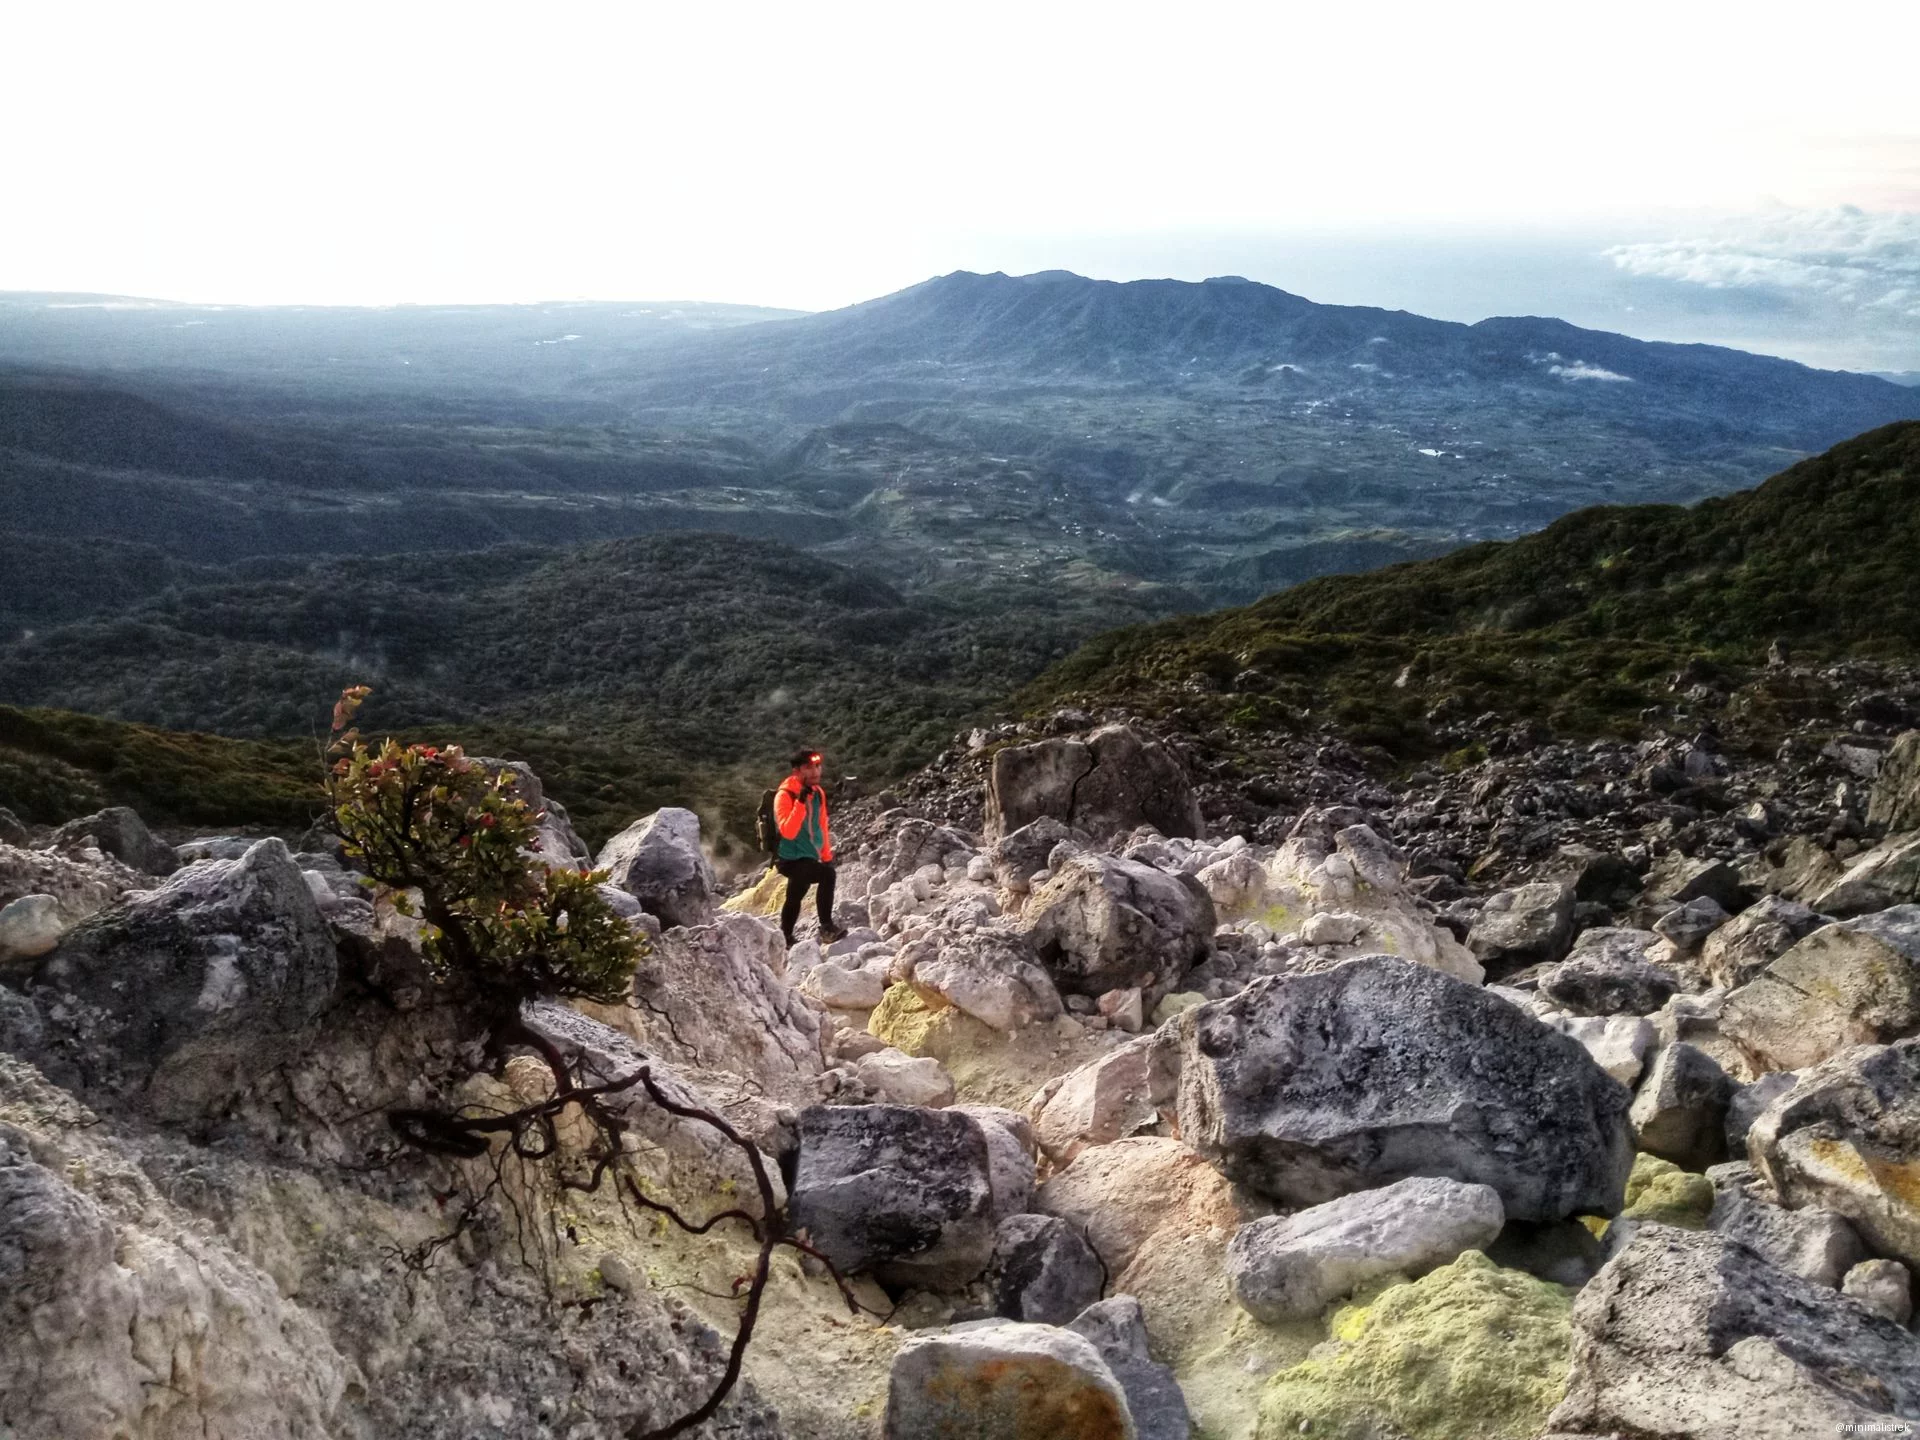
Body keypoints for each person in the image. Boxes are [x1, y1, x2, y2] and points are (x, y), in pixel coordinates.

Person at [774, 747, 846, 947]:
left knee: (796, 894)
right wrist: (800, 802)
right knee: (827, 876)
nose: (815, 771)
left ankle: (785, 937)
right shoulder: (785, 795)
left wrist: (826, 856)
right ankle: (826, 928)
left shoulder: (818, 793)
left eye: (817, 766)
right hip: (789, 858)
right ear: (796, 771)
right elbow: (788, 831)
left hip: (809, 855)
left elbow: (821, 826)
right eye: (808, 767)